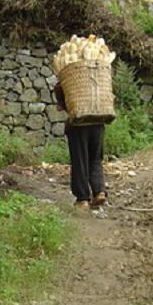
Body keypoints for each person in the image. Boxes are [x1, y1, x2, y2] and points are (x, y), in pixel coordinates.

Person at [54, 82, 107, 210]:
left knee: (80, 161)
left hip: (78, 125)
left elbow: (59, 107)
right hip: (97, 123)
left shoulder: (67, 80)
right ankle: (99, 191)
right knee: (95, 159)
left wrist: (62, 102)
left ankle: (83, 199)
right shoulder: (97, 80)